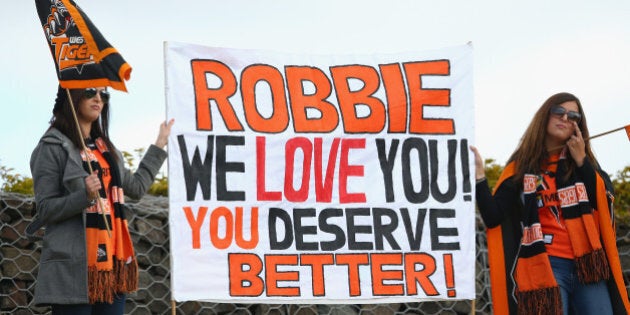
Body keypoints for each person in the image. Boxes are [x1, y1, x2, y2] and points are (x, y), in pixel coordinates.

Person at [471, 92, 630, 315]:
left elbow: (602, 202)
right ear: (545, 115)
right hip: (546, 266)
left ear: (578, 126)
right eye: (559, 112)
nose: (565, 118)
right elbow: (493, 216)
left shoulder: (584, 163)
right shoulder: (523, 166)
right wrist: (479, 177)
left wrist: (582, 161)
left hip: (589, 267)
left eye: (573, 116)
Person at [26, 85, 174, 314]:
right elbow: (45, 210)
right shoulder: (51, 147)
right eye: (89, 93)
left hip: (113, 264)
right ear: (72, 97)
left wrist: (159, 144)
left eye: (103, 95)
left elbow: (136, 187)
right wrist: (83, 196)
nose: (98, 99)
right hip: (76, 268)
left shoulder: (106, 150)